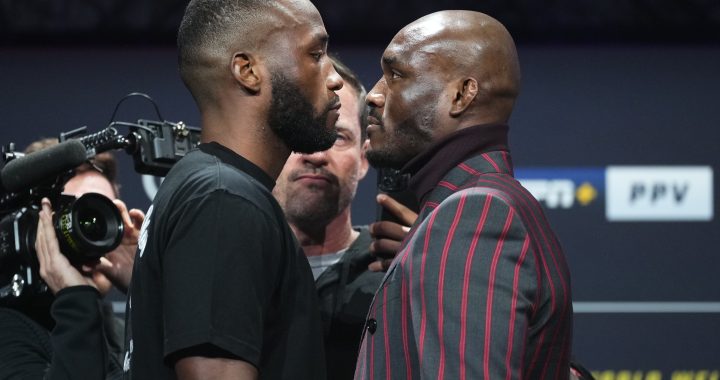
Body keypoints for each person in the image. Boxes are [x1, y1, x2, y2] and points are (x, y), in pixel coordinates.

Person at [121, 0, 343, 378]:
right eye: (316, 54)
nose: (334, 77)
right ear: (248, 71)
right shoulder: (225, 199)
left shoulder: (209, 186)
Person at [355, 10, 573, 379]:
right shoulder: (481, 205)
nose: (374, 95)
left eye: (395, 74)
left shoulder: (474, 213)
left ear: (460, 95)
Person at [273, 56, 387, 379]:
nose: (316, 154)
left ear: (364, 158)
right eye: (301, 134)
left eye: (337, 137)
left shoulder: (393, 273)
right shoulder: (239, 269)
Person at [0, 138, 143, 379]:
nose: (89, 236)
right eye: (75, 214)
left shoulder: (119, 332)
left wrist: (144, 283)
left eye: (98, 213)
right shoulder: (8, 331)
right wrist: (76, 299)